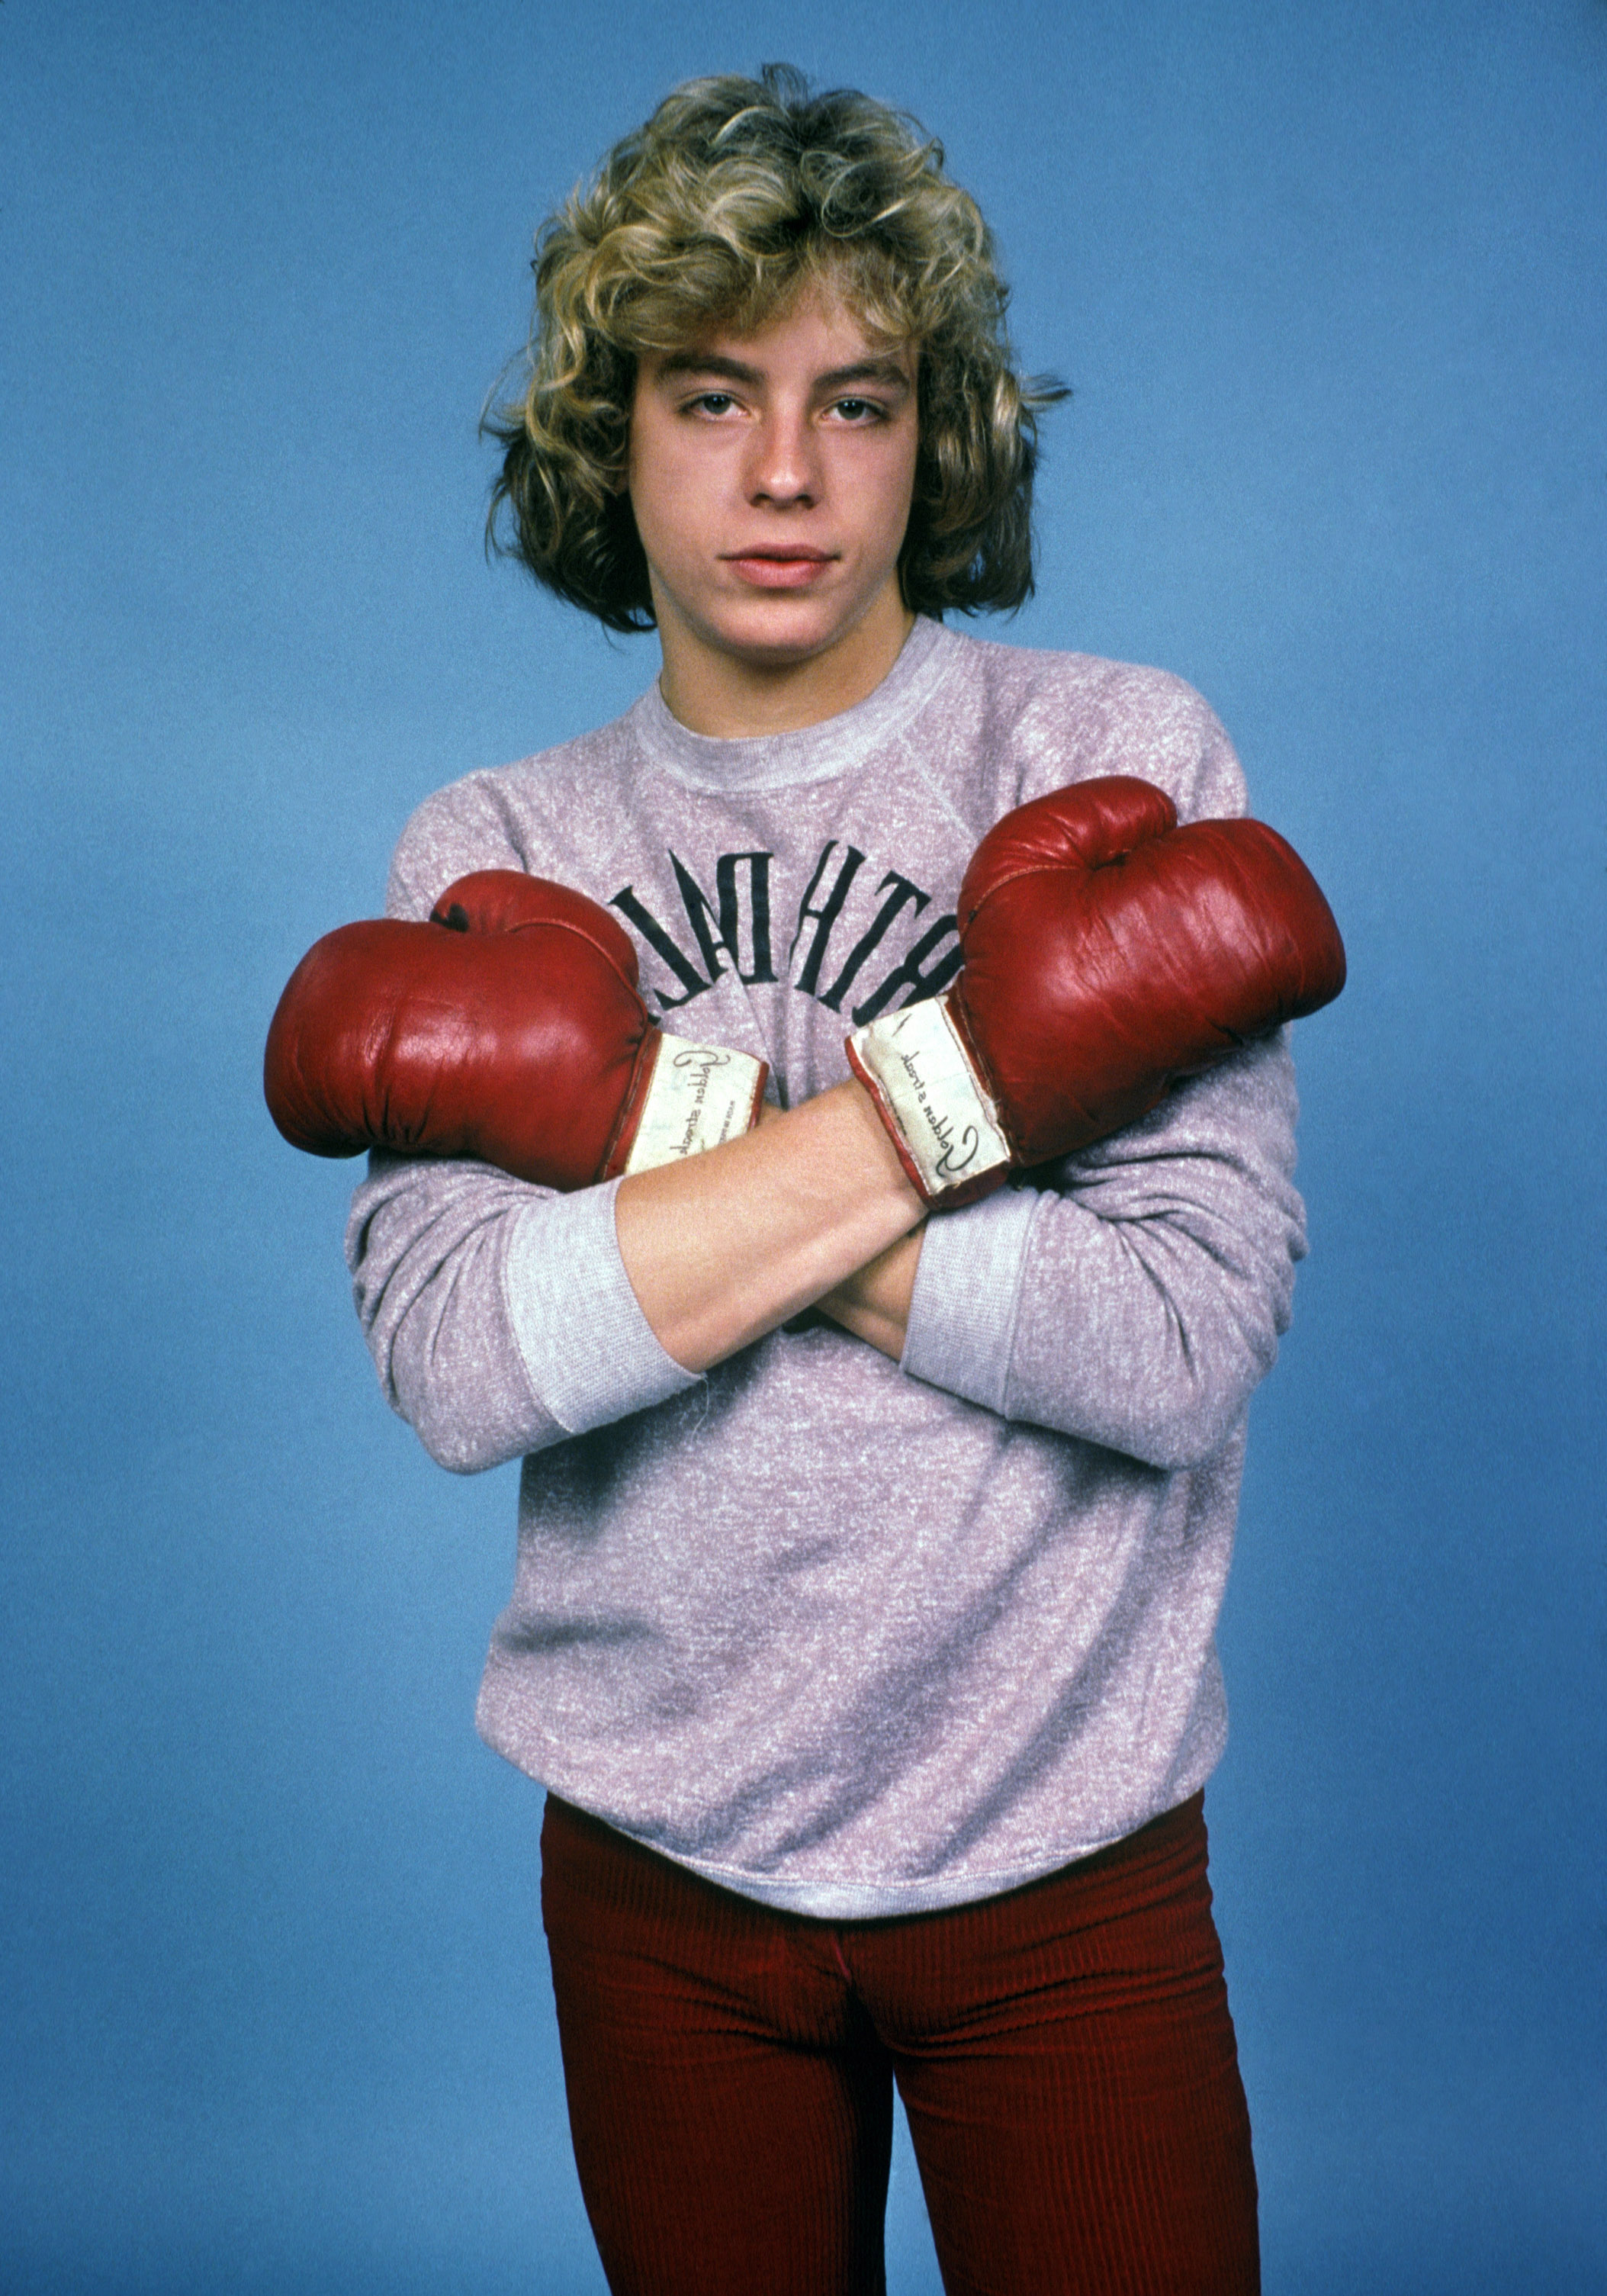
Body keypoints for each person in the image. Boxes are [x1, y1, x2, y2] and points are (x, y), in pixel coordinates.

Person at [315, 64, 1335, 2294]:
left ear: (930, 435)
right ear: (613, 435)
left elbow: (1168, 1351)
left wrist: (639, 1161)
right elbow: (472, 1362)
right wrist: (969, 1104)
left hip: (1062, 1854)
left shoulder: (1110, 757)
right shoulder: (495, 852)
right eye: (709, 396)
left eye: (853, 401)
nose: (783, 473)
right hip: (657, 1861)